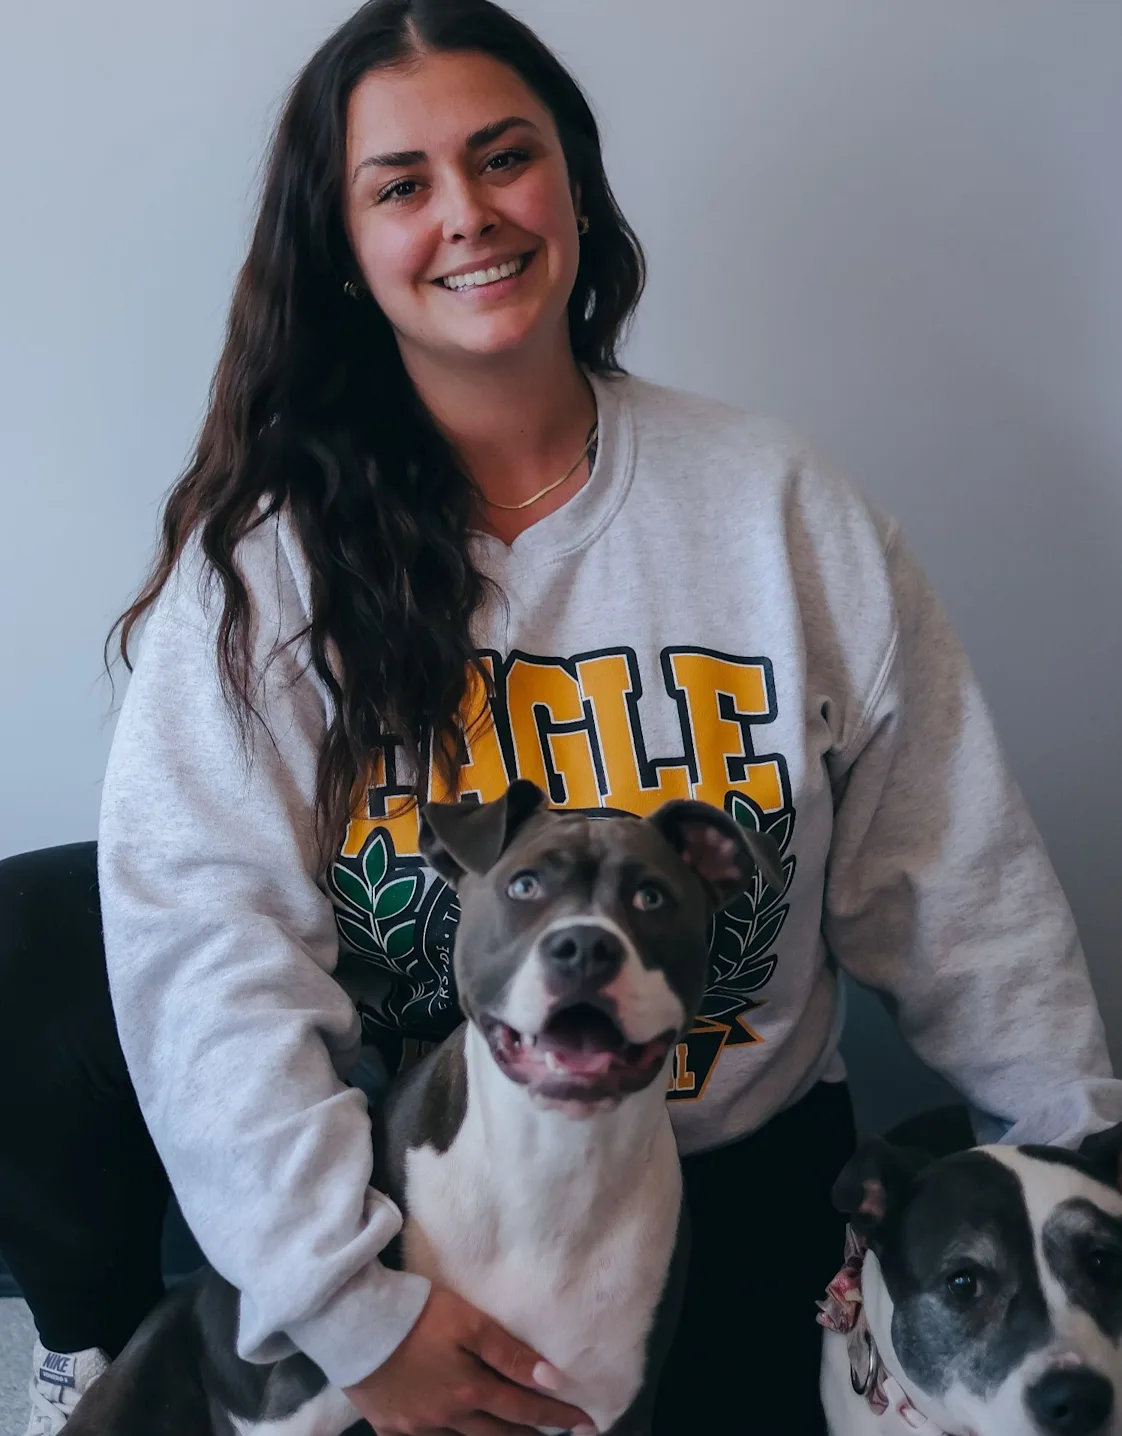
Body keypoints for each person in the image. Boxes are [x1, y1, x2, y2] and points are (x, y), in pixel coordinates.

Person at [2, 1, 1119, 1433]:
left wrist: (1080, 1166)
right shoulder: (267, 573)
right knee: (41, 927)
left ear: (574, 186)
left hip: (730, 1176)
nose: (465, 215)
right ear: (345, 251)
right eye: (401, 185)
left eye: (502, 158)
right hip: (436, 1176)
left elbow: (957, 885)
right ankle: (86, 1350)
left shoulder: (778, 508)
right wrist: (348, 1305)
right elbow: (211, 960)